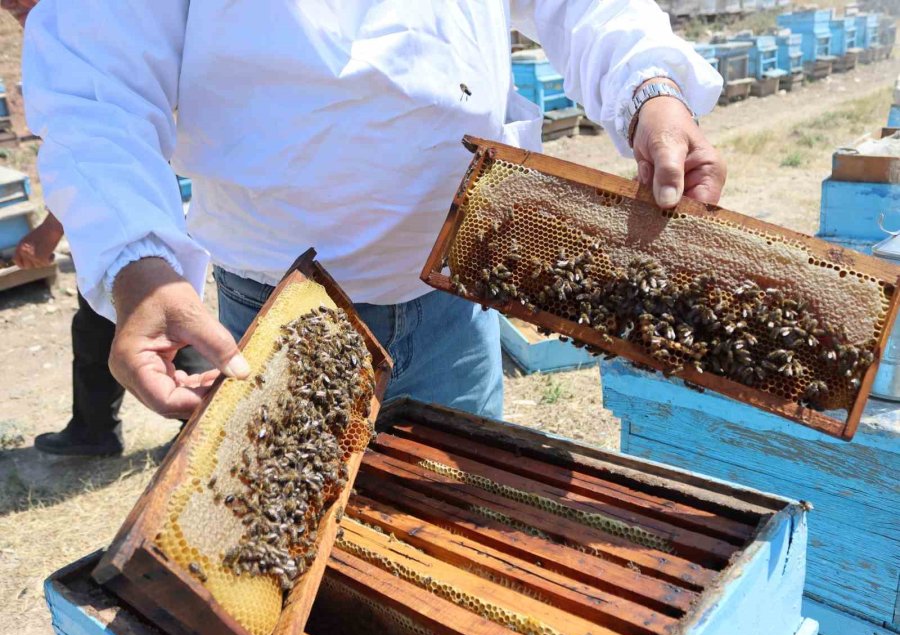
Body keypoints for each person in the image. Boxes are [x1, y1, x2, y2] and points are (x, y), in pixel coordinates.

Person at [22, 1, 726, 422]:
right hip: (271, 317)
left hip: (455, 296)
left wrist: (651, 87)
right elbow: (95, 79)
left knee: (466, 552)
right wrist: (135, 261)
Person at [5, 0, 207, 456]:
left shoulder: (108, 28)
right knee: (106, 319)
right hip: (110, 210)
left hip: (136, 205)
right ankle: (96, 428)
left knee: (161, 308)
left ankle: (196, 418)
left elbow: (112, 144)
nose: (14, 6)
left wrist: (51, 229)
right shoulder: (52, 35)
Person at [13, 213, 208, 456]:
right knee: (99, 328)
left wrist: (51, 228)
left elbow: (93, 176)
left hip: (129, 228)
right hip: (118, 229)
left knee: (164, 326)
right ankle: (94, 429)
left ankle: (207, 418)